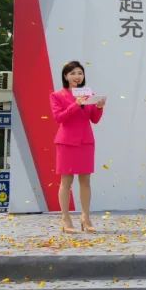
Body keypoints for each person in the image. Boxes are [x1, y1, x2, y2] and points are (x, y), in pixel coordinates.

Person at [49, 60, 106, 234]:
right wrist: (76, 104)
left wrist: (99, 107)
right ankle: (65, 219)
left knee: (85, 181)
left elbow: (94, 119)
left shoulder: (89, 94)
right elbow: (59, 118)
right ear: (65, 76)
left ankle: (85, 217)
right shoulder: (57, 95)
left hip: (85, 142)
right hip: (66, 142)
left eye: (80, 73)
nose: (77, 76)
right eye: (73, 73)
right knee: (66, 182)